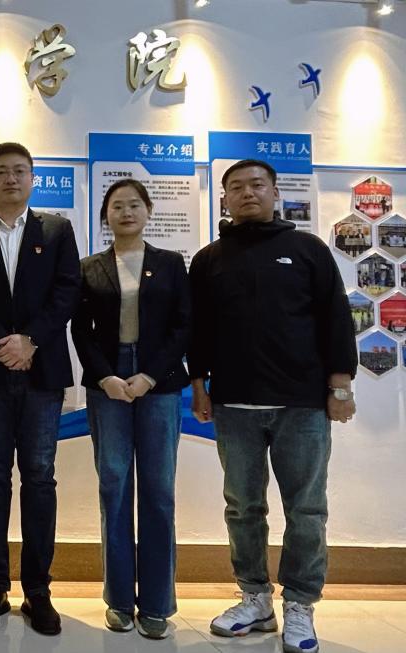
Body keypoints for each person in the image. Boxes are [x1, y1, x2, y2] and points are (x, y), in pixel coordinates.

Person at [189, 159, 357, 653]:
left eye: (257, 185)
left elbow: (335, 317)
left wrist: (340, 386)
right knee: (243, 507)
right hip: (234, 404)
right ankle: (255, 598)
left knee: (306, 509)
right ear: (224, 199)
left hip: (301, 405)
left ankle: (300, 604)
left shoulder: (308, 249)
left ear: (275, 192)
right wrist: (198, 384)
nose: (247, 193)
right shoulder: (209, 259)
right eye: (236, 187)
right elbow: (198, 330)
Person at [0, 142, 80, 635]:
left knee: (40, 477)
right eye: (1, 171)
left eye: (19, 171)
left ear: (32, 179)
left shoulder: (57, 230)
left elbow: (67, 291)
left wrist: (31, 341)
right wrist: (3, 344)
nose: (10, 179)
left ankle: (38, 591)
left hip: (42, 373)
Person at [72, 179, 190, 639]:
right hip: (108, 382)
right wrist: (105, 376)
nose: (126, 212)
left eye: (134, 205)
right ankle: (119, 599)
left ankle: (157, 604)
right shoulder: (90, 267)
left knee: (159, 490)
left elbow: (183, 326)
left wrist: (151, 375)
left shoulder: (170, 263)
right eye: (117, 206)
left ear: (148, 211)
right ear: (106, 214)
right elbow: (80, 330)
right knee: (115, 486)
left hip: (158, 381)